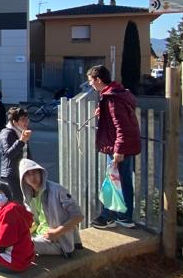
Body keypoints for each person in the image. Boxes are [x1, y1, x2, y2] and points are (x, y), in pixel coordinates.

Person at [87, 64, 142, 229]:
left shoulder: (112, 99)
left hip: (119, 148)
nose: (90, 84)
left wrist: (118, 150)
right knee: (121, 181)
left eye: (90, 80)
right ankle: (121, 216)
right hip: (122, 146)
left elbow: (122, 126)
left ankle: (111, 216)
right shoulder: (116, 94)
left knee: (116, 181)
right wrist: (102, 113)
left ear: (98, 79)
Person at [19, 159, 84, 256]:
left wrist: (57, 232)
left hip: (58, 241)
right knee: (10, 239)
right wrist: (24, 233)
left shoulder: (57, 190)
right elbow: (36, 221)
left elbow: (79, 216)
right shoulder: (28, 196)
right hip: (38, 235)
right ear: (23, 179)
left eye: (35, 172)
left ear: (41, 173)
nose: (32, 177)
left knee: (20, 246)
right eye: (28, 174)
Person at [0, 106, 32, 203]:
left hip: (22, 171)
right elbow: (9, 154)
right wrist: (21, 141)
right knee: (16, 202)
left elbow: (26, 153)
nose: (26, 121)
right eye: (23, 119)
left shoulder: (21, 131)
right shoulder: (6, 133)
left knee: (25, 201)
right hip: (11, 175)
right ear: (14, 122)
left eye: (27, 118)